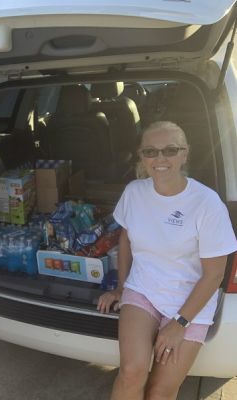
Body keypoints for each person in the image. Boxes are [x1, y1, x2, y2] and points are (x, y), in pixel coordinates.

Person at [97, 121, 237, 400]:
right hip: (144, 290)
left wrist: (178, 324)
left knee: (161, 391)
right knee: (131, 372)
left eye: (170, 150)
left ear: (185, 154)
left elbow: (213, 275)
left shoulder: (207, 204)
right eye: (150, 151)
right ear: (141, 156)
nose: (160, 159)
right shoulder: (134, 192)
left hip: (191, 303)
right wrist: (122, 287)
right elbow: (125, 238)